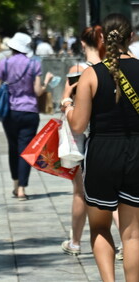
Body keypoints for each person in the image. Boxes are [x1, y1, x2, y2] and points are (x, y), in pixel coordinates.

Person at [62, 13, 139, 282]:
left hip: (102, 154)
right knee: (133, 233)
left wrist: (68, 106)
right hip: (137, 153)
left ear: (103, 39)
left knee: (99, 227)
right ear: (132, 37)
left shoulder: (91, 75)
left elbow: (79, 126)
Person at [0, 32, 53, 200]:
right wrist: (47, 82)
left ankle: (15, 184)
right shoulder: (34, 65)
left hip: (9, 111)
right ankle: (22, 190)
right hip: (29, 111)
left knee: (13, 148)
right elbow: (38, 91)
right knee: (26, 150)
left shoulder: (4, 63)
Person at [60, 25, 105, 256]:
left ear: (83, 43)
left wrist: (67, 103)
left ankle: (75, 242)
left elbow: (65, 99)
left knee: (80, 191)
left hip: (82, 137)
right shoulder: (111, 68)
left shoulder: (78, 70)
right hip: (107, 136)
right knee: (113, 192)